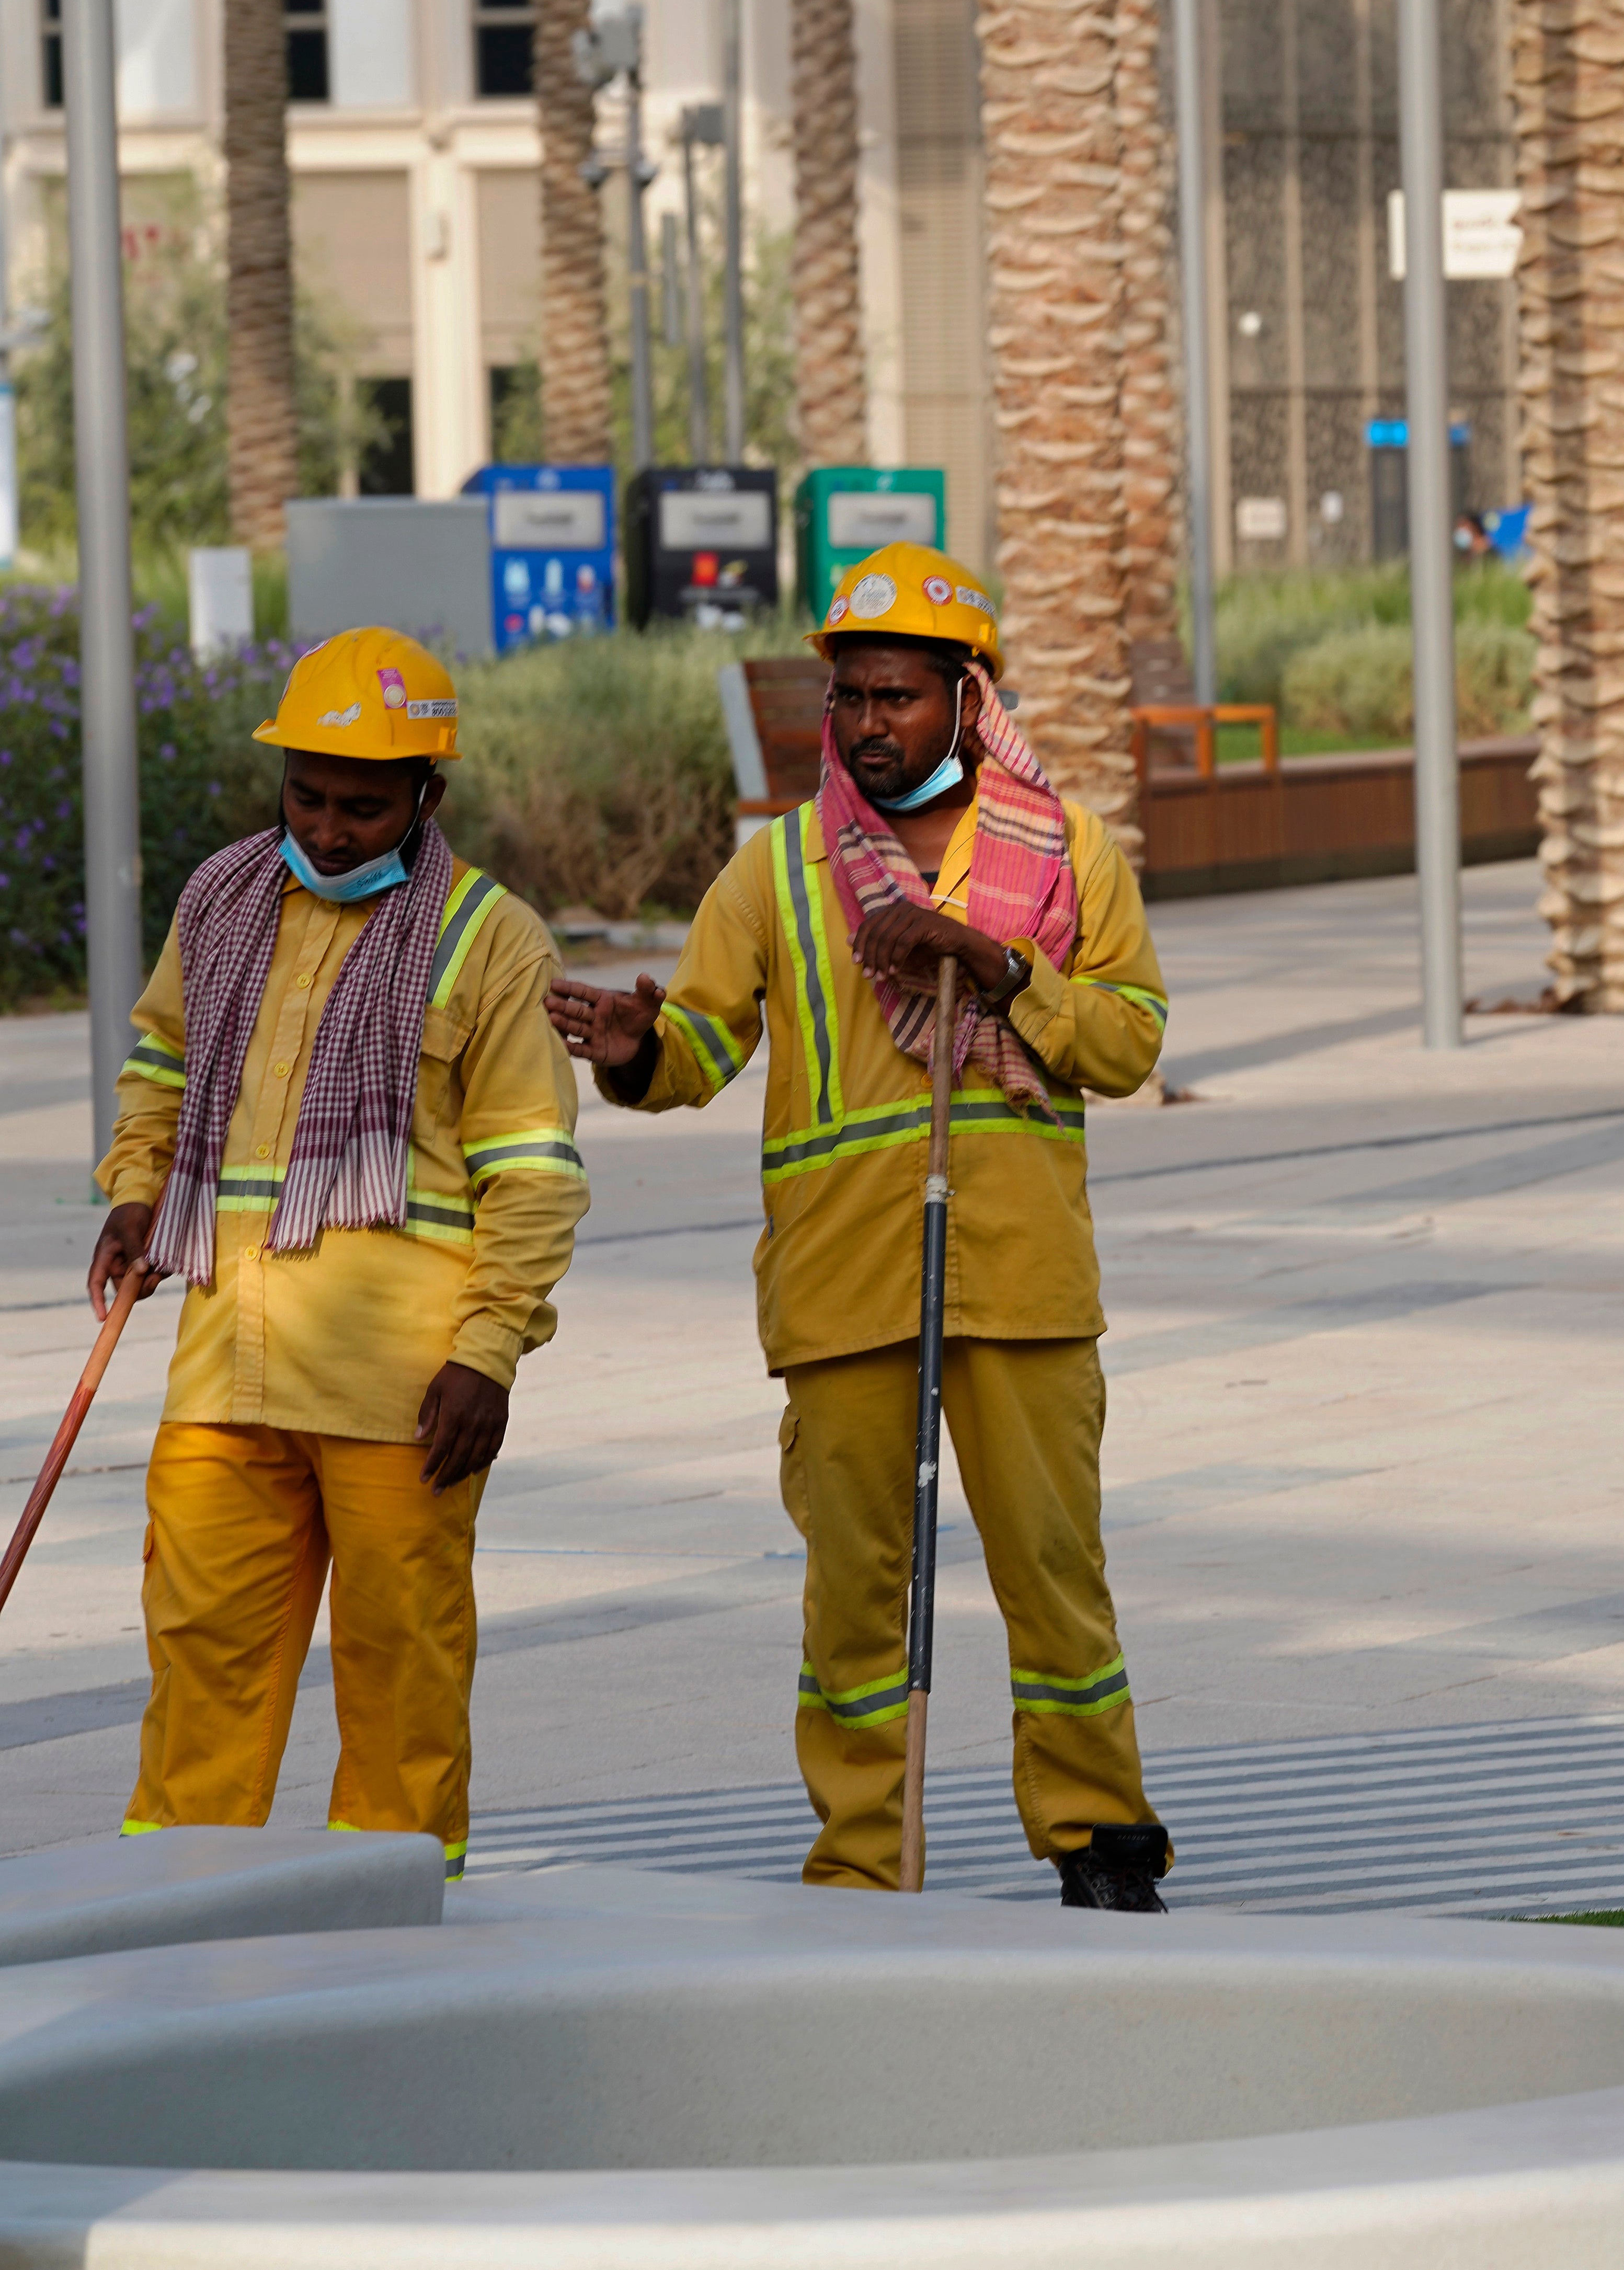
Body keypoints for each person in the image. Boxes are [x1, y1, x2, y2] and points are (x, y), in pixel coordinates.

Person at [541, 545, 1176, 1910]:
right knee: (853, 1608)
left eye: (897, 696)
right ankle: (861, 1864)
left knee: (1056, 1579)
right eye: (852, 699)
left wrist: (1003, 969)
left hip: (1020, 1283)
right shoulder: (774, 873)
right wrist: (633, 1049)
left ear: (965, 696)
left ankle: (1099, 1838)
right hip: (842, 1292)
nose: (871, 723)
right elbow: (698, 1046)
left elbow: (1129, 1044)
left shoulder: (1068, 861)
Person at [88, 628, 589, 1877]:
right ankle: (179, 1909)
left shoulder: (492, 937)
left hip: (402, 1390)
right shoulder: (218, 898)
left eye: (364, 806)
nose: (327, 827)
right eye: (306, 796)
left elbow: (530, 1172)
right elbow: (160, 1059)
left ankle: (394, 1937)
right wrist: (137, 1187)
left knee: (400, 1669)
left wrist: (490, 1353)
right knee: (200, 1652)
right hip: (225, 1363)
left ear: (431, 795)